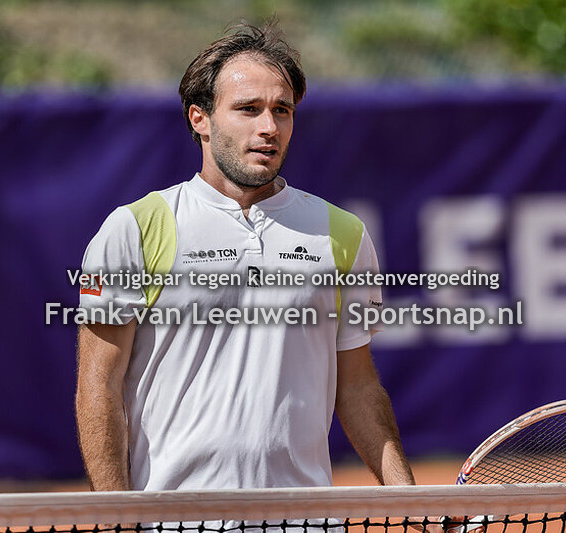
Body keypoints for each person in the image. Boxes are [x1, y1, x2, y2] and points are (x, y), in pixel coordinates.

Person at [75, 20, 416, 494]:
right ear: (200, 119)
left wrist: (410, 495)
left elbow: (357, 386)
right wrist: (116, 519)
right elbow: (99, 388)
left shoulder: (343, 234)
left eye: (282, 110)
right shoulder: (134, 228)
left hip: (305, 524)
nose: (268, 127)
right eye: (248, 109)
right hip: (173, 523)